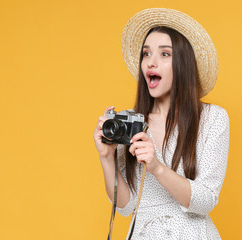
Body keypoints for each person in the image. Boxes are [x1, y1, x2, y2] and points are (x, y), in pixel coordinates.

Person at [93, 8, 229, 240]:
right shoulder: (130, 121)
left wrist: (157, 167)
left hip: (191, 234)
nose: (151, 63)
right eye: (146, 54)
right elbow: (126, 207)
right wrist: (106, 157)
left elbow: (206, 200)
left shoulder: (212, 118)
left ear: (183, 64)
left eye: (165, 54)